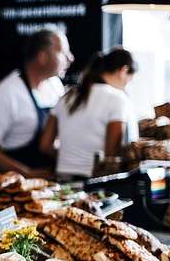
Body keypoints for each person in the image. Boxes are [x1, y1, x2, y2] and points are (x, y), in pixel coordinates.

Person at [0, 28, 74, 177]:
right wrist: (27, 173)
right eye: (63, 52)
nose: (70, 58)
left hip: (50, 182)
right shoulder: (7, 93)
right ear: (42, 57)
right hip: (15, 187)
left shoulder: (55, 85)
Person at [39, 47, 139, 179]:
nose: (127, 85)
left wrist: (70, 158)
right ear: (124, 71)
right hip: (95, 183)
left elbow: (45, 145)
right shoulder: (118, 98)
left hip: (63, 179)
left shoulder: (67, 96)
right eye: (129, 80)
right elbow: (111, 156)